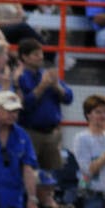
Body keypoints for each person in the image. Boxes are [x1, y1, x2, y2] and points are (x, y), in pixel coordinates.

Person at [16, 37, 73, 171]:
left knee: (51, 176)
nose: (41, 57)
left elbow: (69, 98)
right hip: (30, 133)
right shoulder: (20, 78)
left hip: (52, 134)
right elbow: (23, 106)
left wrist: (56, 86)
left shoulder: (48, 75)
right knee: (28, 171)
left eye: (41, 53)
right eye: (36, 54)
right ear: (25, 57)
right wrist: (42, 87)